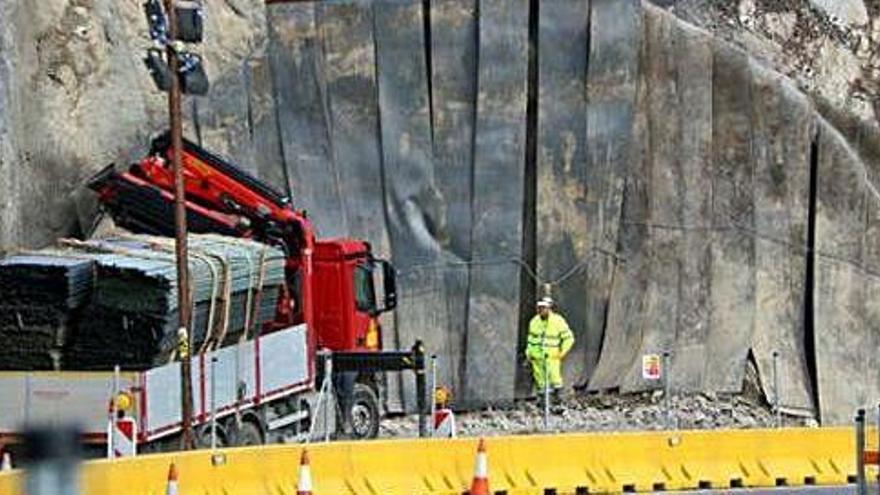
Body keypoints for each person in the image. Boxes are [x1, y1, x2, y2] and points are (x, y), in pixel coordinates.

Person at [525, 297, 574, 406]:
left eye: (544, 308)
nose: (541, 310)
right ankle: (545, 403)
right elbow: (531, 340)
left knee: (555, 379)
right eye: (539, 308)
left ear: (549, 308)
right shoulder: (534, 322)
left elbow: (569, 338)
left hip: (552, 357)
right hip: (537, 358)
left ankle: (559, 402)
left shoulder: (558, 321)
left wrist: (562, 352)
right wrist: (529, 353)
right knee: (541, 382)